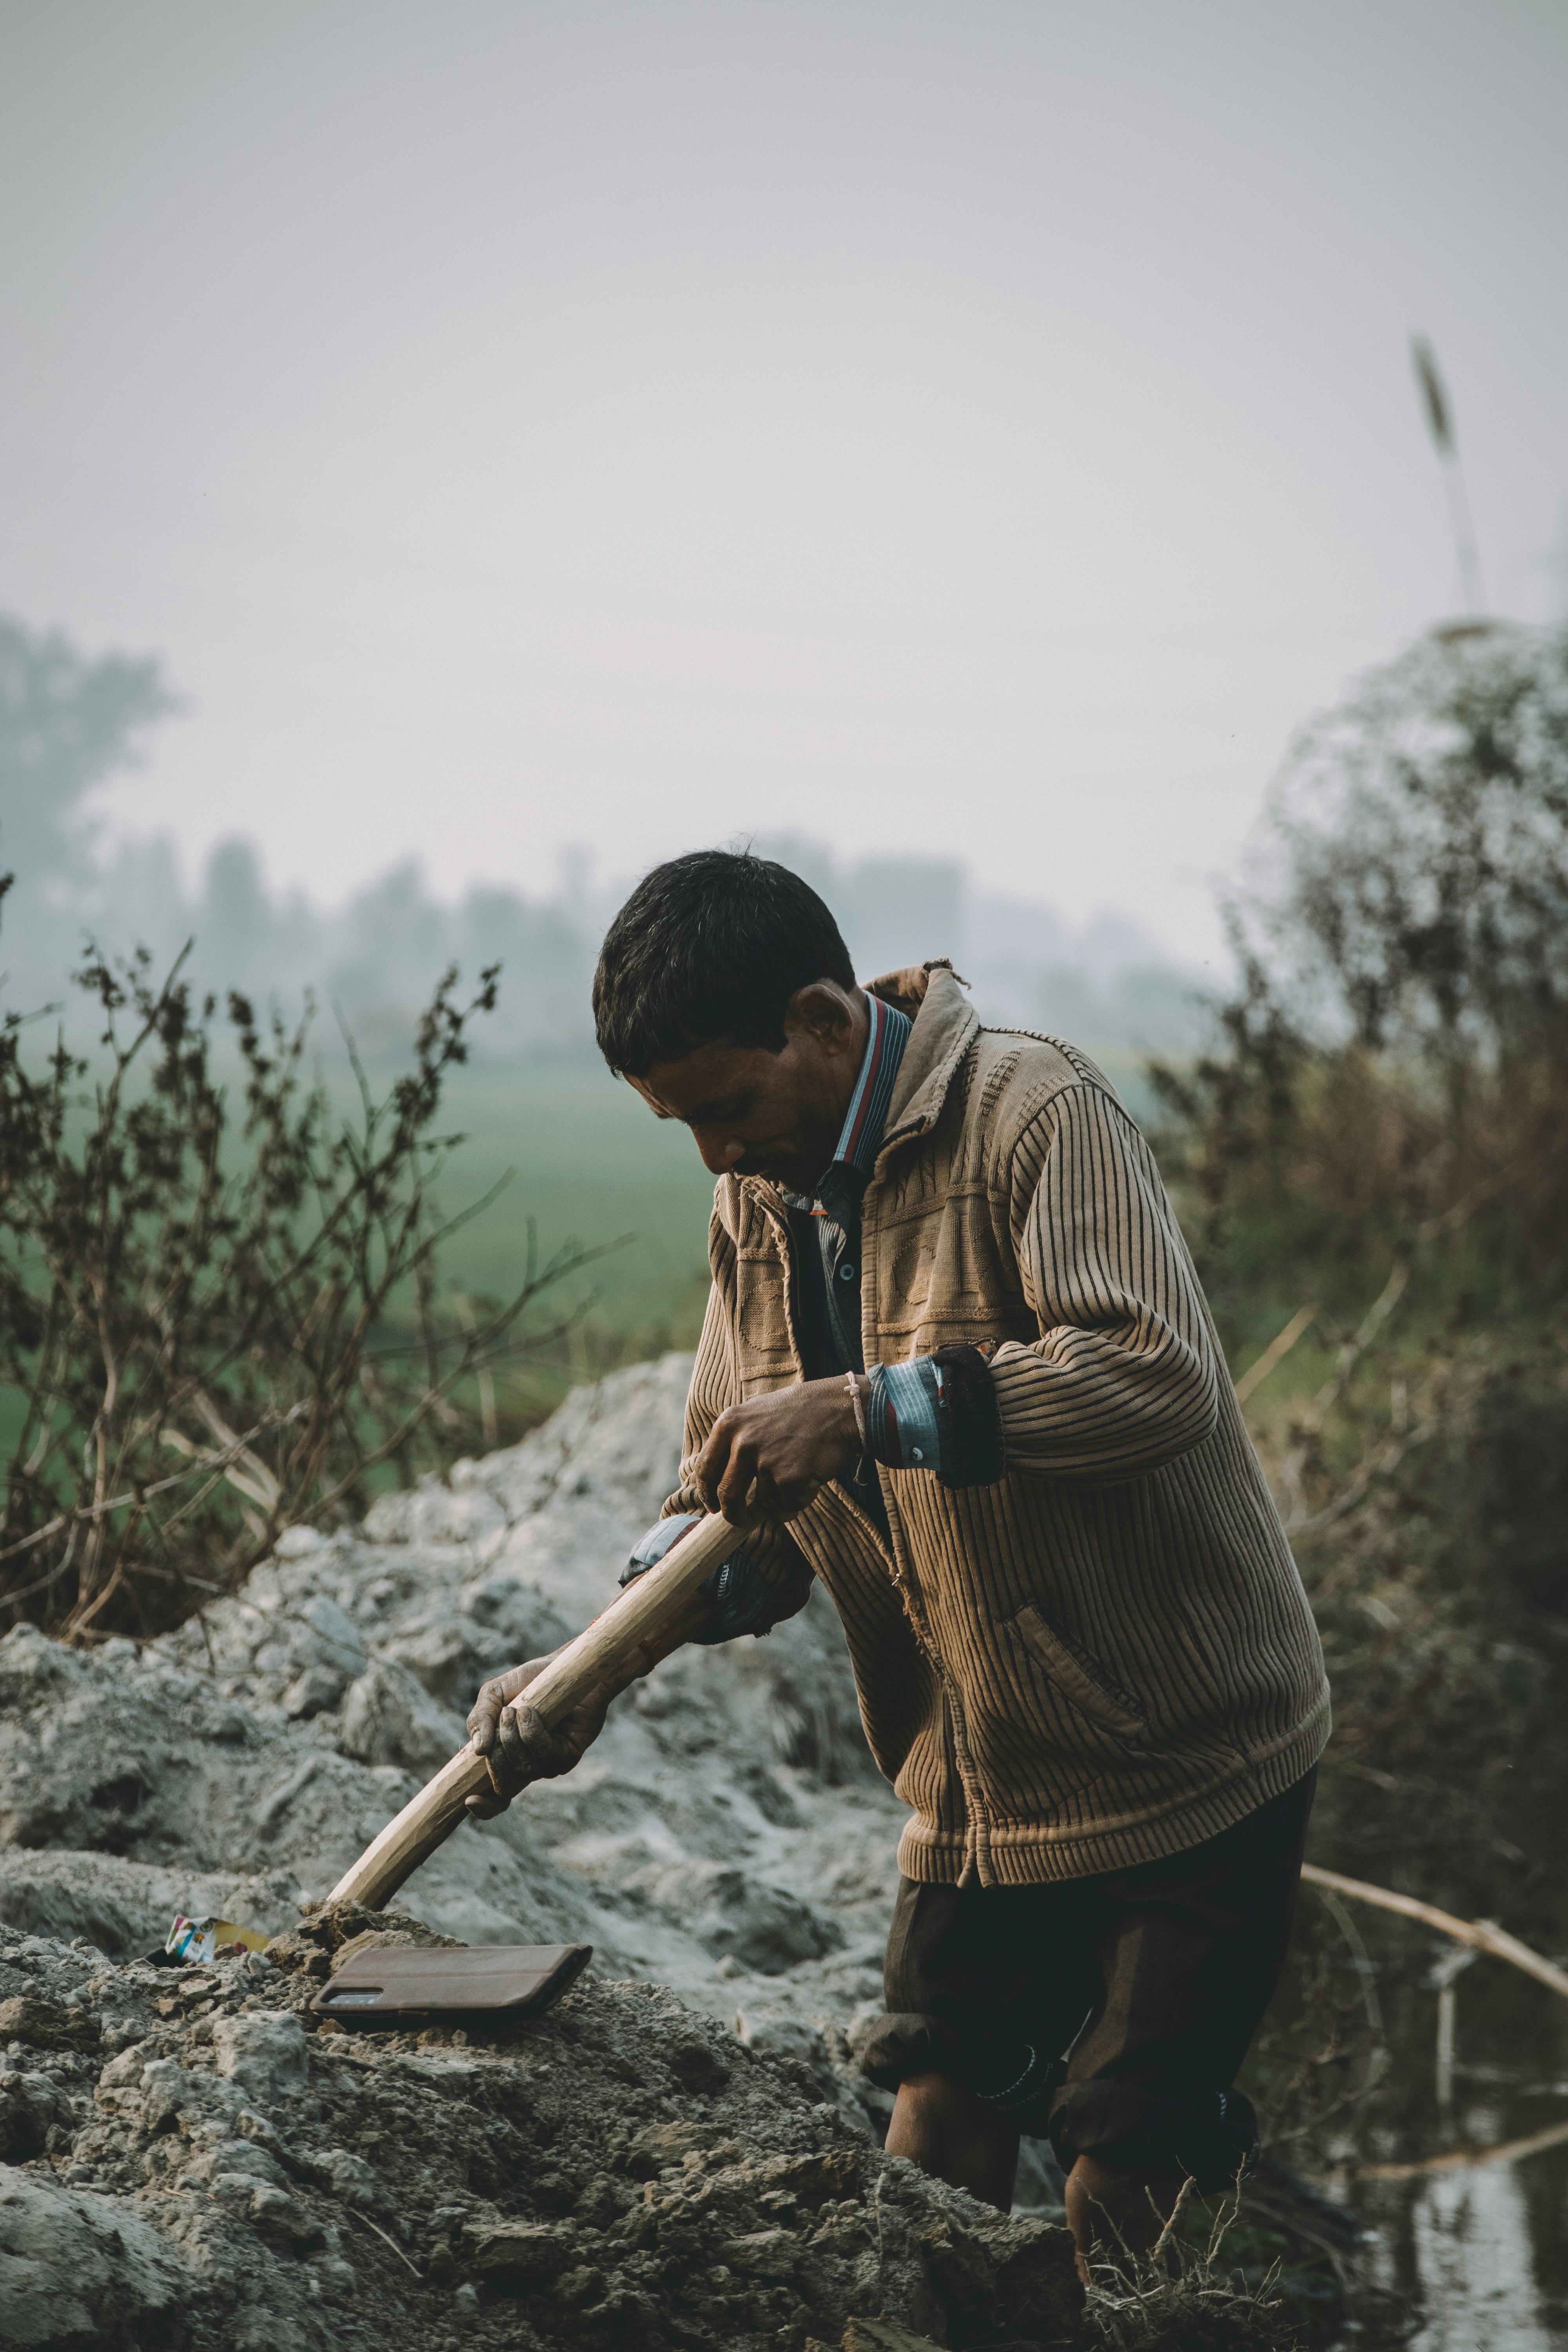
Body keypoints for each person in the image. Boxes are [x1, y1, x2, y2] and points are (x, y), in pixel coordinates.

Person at [466, 849, 1328, 2277]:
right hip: (982, 1773)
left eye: (726, 1107)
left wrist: (869, 1410)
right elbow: (735, 1510)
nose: (715, 1155)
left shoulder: (1030, 1113)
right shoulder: (757, 1203)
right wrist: (587, 1667)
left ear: (819, 1020)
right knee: (936, 2123)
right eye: (682, 1126)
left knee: (1121, 2164)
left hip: (1189, 1753)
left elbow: (1153, 1371)